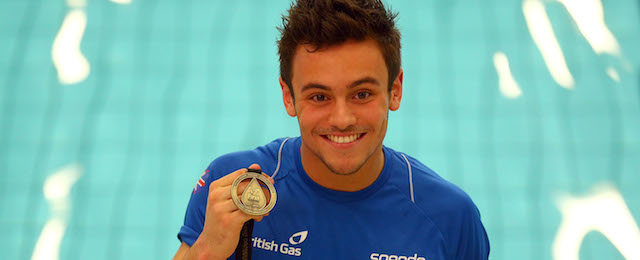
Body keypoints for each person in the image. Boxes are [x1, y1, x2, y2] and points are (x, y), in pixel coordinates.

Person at [173, 0, 490, 259]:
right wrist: (206, 253)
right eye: (320, 97)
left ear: (395, 90)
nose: (342, 119)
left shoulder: (449, 218)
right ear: (289, 97)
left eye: (362, 94)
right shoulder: (230, 188)